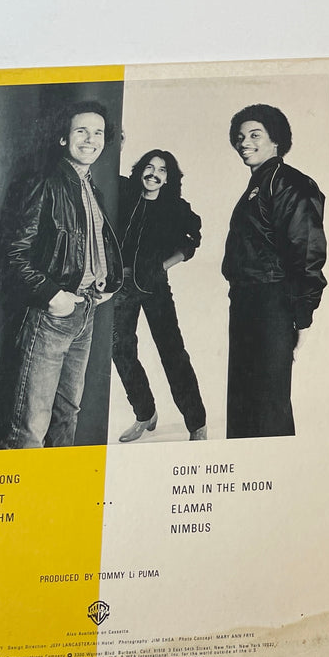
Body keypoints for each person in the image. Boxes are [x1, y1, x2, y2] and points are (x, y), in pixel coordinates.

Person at [0, 101, 122, 448]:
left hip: (84, 312)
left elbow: (88, 245)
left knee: (67, 416)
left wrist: (105, 282)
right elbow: (11, 254)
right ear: (64, 138)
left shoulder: (91, 188)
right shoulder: (45, 182)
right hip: (50, 316)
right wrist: (53, 296)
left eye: (98, 133)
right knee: (31, 425)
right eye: (82, 131)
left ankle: (56, 484)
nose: (90, 139)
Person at [221, 104, 327, 438]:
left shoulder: (290, 183)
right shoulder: (259, 184)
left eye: (255, 135)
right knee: (244, 400)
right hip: (246, 301)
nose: (244, 143)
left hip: (272, 304)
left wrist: (302, 316)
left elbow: (306, 251)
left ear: (276, 140)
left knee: (268, 404)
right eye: (240, 137)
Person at [112, 150, 208, 442]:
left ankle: (197, 424)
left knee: (172, 352)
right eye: (149, 167)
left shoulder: (175, 208)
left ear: (168, 178)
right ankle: (145, 413)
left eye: (162, 170)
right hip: (122, 287)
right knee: (121, 351)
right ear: (140, 170)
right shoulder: (125, 194)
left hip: (155, 287)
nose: (154, 174)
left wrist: (162, 266)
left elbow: (192, 242)